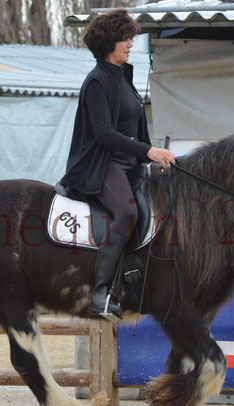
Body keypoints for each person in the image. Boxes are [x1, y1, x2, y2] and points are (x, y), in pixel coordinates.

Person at [58, 9, 176, 319]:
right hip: (103, 164)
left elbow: (136, 128)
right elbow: (105, 134)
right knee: (126, 212)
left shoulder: (124, 78)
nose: (130, 44)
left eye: (131, 38)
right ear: (109, 43)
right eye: (125, 39)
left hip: (129, 164)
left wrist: (151, 157)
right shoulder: (97, 81)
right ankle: (100, 293)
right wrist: (148, 151)